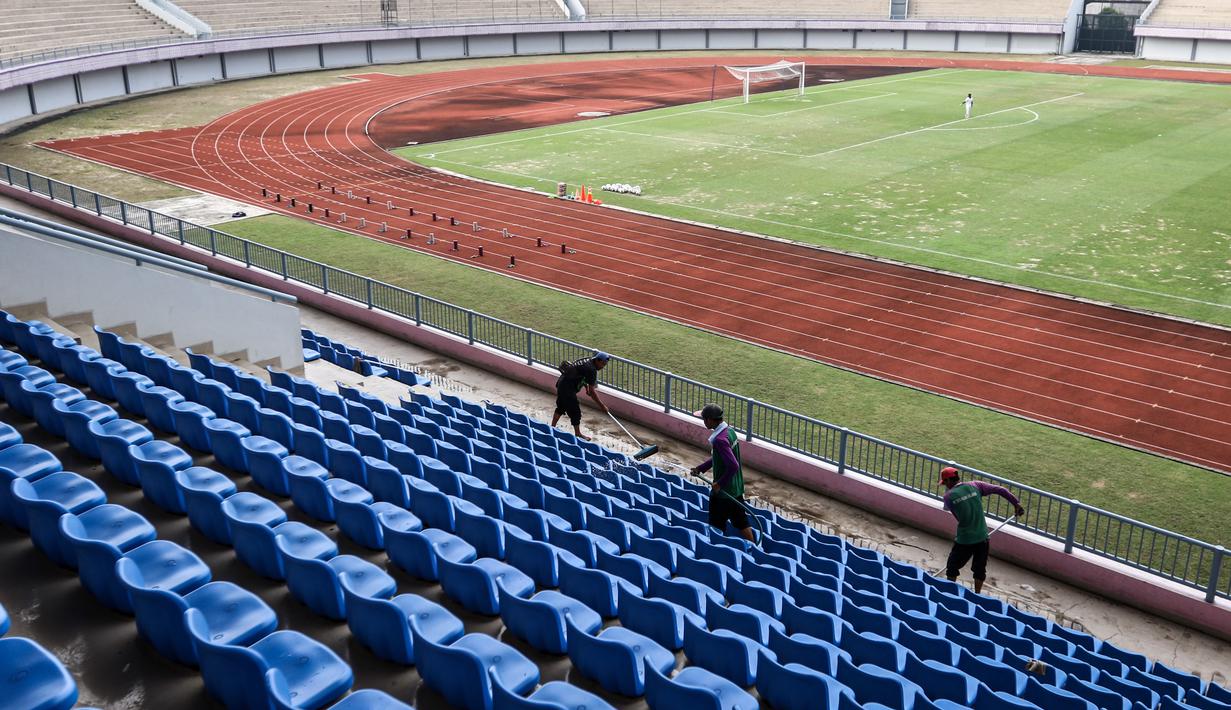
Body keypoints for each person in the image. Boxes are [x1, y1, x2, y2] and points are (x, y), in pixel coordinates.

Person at [939, 466, 1025, 593]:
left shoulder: (948, 497)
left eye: (944, 483)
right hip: (982, 537)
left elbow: (959, 517)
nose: (945, 485)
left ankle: (949, 593)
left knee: (952, 567)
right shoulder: (975, 485)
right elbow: (1000, 490)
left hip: (964, 539)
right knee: (979, 570)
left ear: (948, 481)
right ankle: (977, 594)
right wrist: (1016, 504)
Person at [689, 404, 756, 543]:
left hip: (724, 492)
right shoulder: (729, 431)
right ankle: (754, 547)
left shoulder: (719, 440)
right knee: (740, 521)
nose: (704, 422)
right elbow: (718, 458)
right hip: (735, 488)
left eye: (704, 419)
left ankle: (716, 548)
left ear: (711, 420)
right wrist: (700, 468)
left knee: (716, 523)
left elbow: (733, 465)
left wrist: (719, 483)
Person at [552, 352, 610, 440]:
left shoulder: (588, 361)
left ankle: (552, 427)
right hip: (568, 389)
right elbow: (592, 391)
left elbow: (580, 374)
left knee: (561, 406)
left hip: (561, 384)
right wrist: (602, 406)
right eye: (602, 364)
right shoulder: (592, 370)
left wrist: (586, 386)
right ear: (598, 360)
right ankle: (578, 434)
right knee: (575, 412)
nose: (602, 367)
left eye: (605, 365)